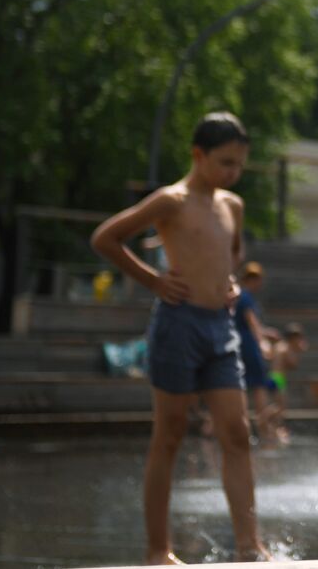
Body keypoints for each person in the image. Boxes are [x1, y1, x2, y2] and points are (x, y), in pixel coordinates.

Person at [90, 111, 268, 564]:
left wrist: (228, 283)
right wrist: (153, 280)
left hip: (219, 328)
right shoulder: (170, 200)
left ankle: (250, 545)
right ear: (198, 154)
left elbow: (231, 253)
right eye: (226, 163)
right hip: (178, 323)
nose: (233, 173)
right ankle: (158, 551)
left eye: (239, 165)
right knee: (168, 434)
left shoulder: (233, 205)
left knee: (237, 432)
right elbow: (105, 238)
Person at [233, 261, 280, 444]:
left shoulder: (238, 295)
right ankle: (263, 429)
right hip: (249, 347)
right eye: (258, 279)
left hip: (239, 344)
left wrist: (265, 332)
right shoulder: (245, 297)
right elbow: (251, 322)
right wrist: (263, 343)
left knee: (243, 386)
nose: (260, 283)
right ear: (252, 279)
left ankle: (247, 428)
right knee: (259, 386)